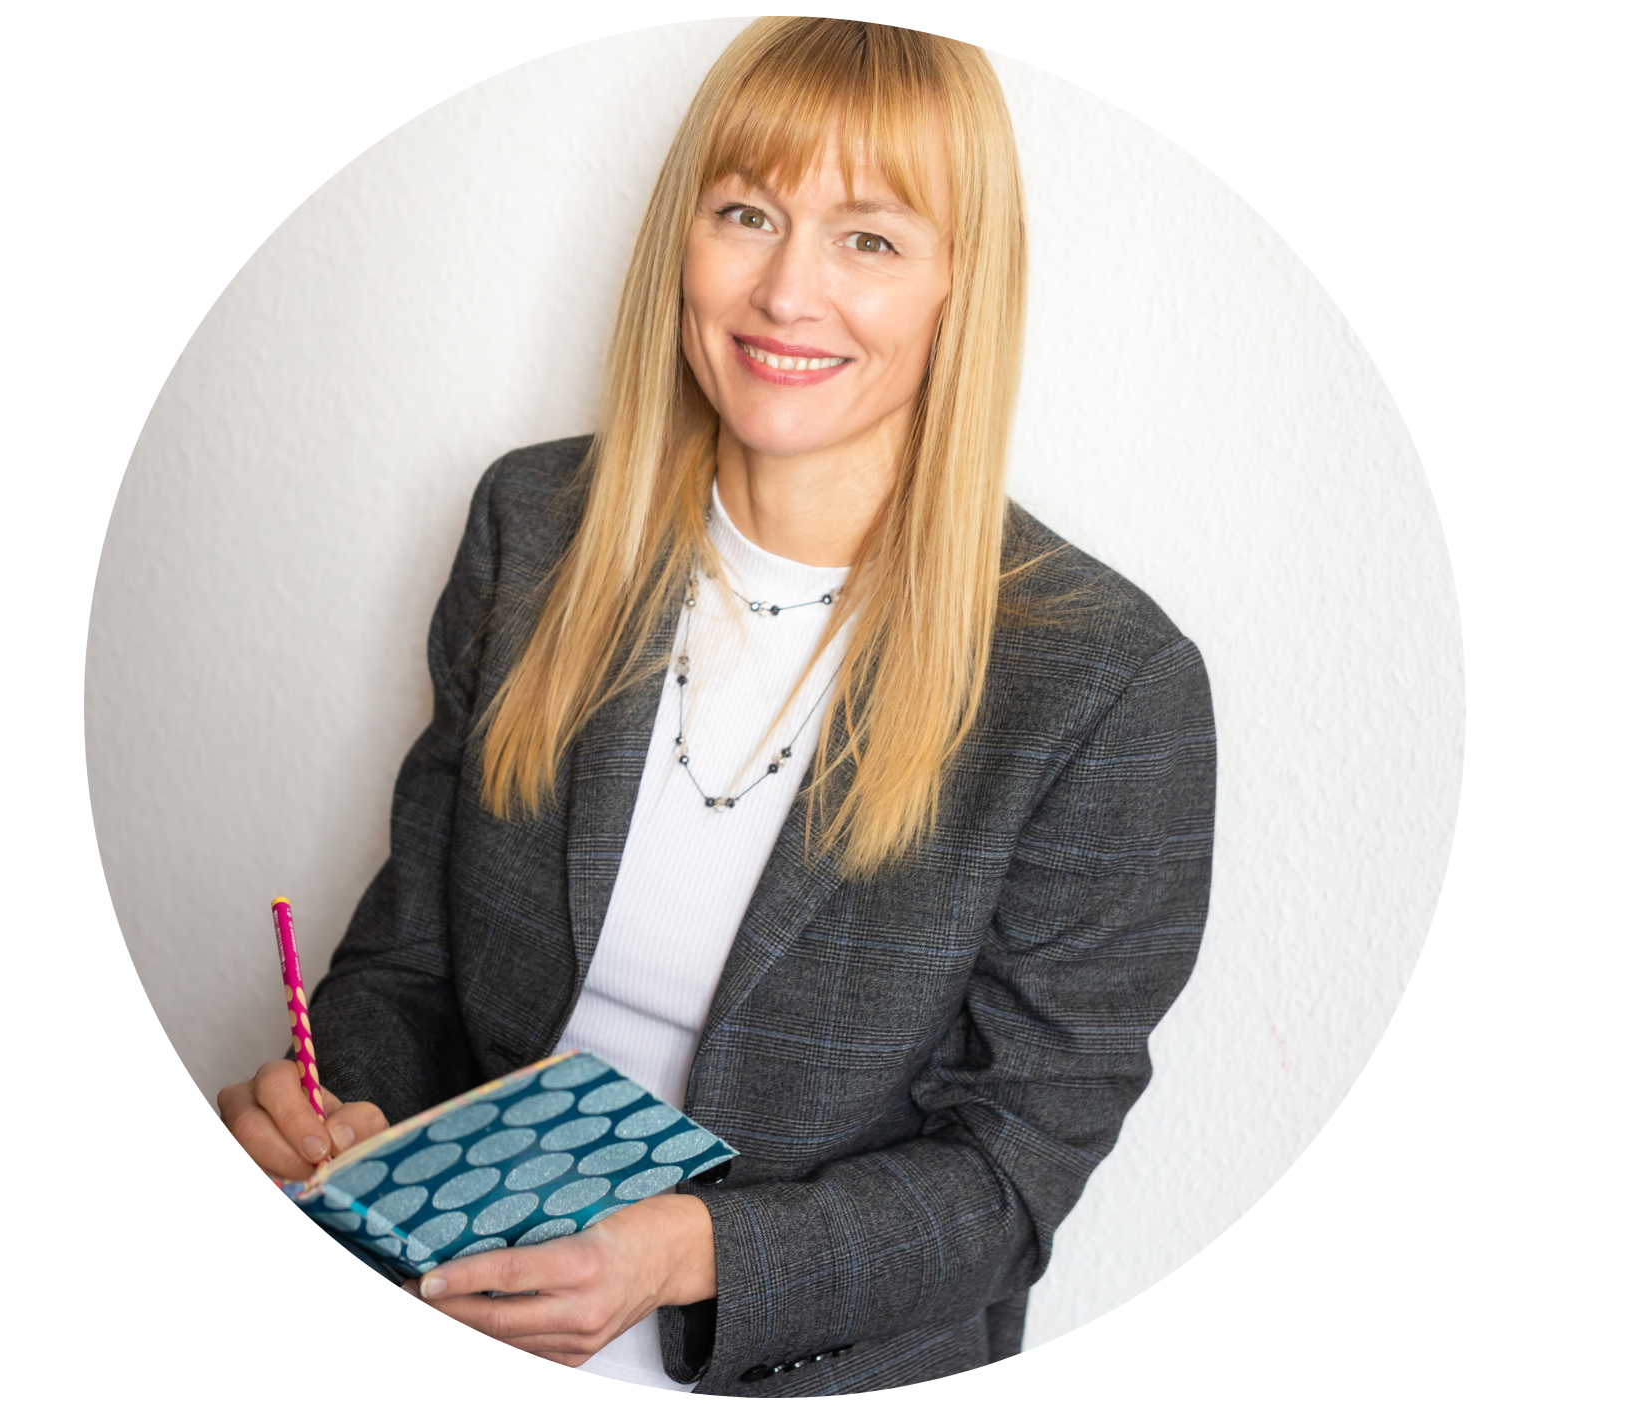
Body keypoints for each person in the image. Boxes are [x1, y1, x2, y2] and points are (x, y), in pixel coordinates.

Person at [218, 17, 1215, 1393]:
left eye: (869, 239)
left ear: (959, 286)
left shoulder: (1105, 684)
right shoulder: (532, 527)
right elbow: (410, 965)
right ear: (682, 239)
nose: (787, 291)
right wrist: (338, 1099)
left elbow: (1011, 1175)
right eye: (747, 213)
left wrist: (690, 1253)